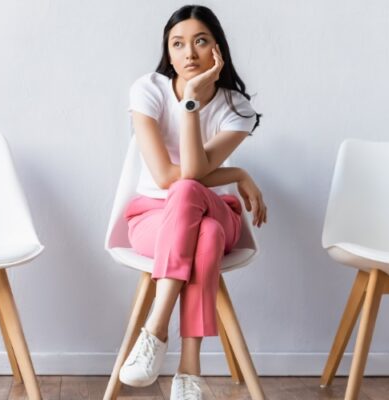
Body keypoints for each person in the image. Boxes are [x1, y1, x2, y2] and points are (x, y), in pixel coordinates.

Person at [117, 4, 268, 399]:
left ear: (217, 49)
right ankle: (189, 371)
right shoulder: (148, 90)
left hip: (218, 208)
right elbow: (166, 177)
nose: (189, 53)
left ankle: (155, 330)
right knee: (206, 234)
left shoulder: (237, 108)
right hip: (153, 219)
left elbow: (191, 174)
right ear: (168, 53)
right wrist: (236, 174)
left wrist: (191, 104)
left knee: (191, 195)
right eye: (178, 44)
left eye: (200, 41)